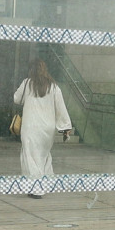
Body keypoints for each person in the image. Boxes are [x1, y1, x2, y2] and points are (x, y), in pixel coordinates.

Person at [12, 58, 71, 199]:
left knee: (30, 156)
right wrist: (65, 127)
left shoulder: (27, 83)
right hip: (47, 129)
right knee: (43, 156)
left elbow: (16, 99)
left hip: (30, 127)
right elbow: (61, 108)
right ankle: (47, 182)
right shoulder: (54, 87)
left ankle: (36, 189)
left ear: (31, 69)